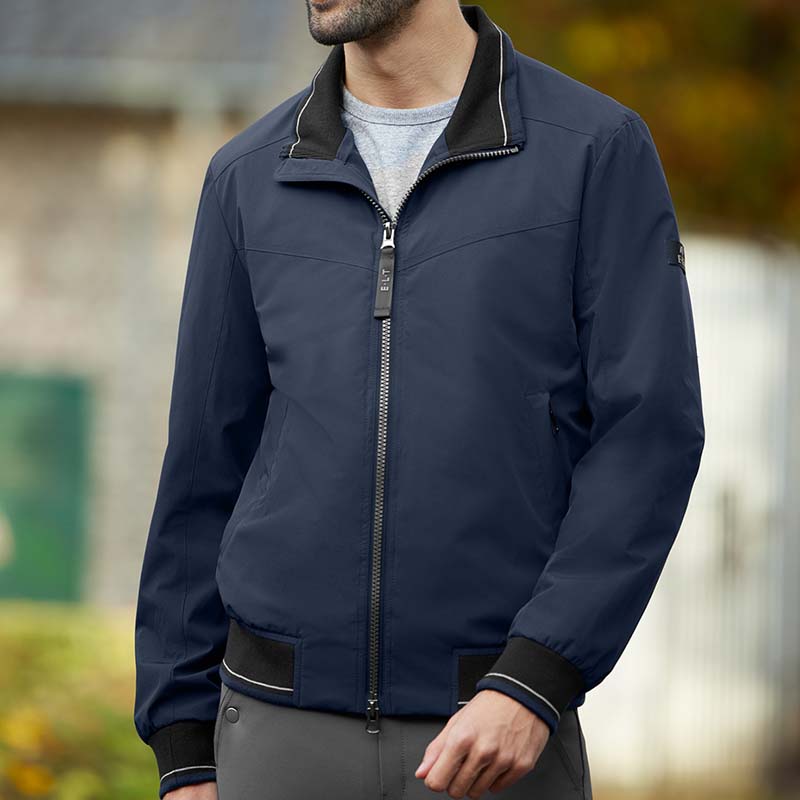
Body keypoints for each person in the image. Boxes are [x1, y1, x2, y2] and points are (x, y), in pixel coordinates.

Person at [133, 1, 705, 798]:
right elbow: (203, 466)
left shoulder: (592, 150)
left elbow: (649, 437)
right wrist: (183, 744)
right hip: (275, 732)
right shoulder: (248, 175)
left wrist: (537, 677)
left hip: (496, 732)